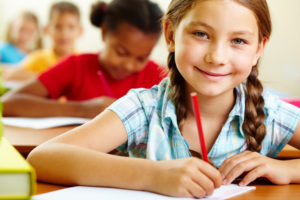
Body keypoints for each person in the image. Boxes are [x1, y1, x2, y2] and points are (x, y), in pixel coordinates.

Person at [27, 0, 300, 198]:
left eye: (238, 41)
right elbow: (44, 157)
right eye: (201, 34)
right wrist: (152, 175)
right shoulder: (143, 109)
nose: (216, 57)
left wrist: (285, 170)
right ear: (170, 35)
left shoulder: (271, 112)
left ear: (259, 49)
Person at [1, 0, 167, 118]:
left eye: (141, 58)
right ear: (104, 32)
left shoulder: (158, 76)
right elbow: (8, 102)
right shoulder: (76, 66)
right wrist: (82, 109)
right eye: (121, 53)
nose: (129, 65)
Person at [4, 1, 83, 81]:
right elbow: (10, 75)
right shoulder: (37, 58)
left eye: (71, 27)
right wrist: (48, 79)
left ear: (80, 31)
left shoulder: (82, 62)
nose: (64, 33)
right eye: (58, 27)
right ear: (46, 29)